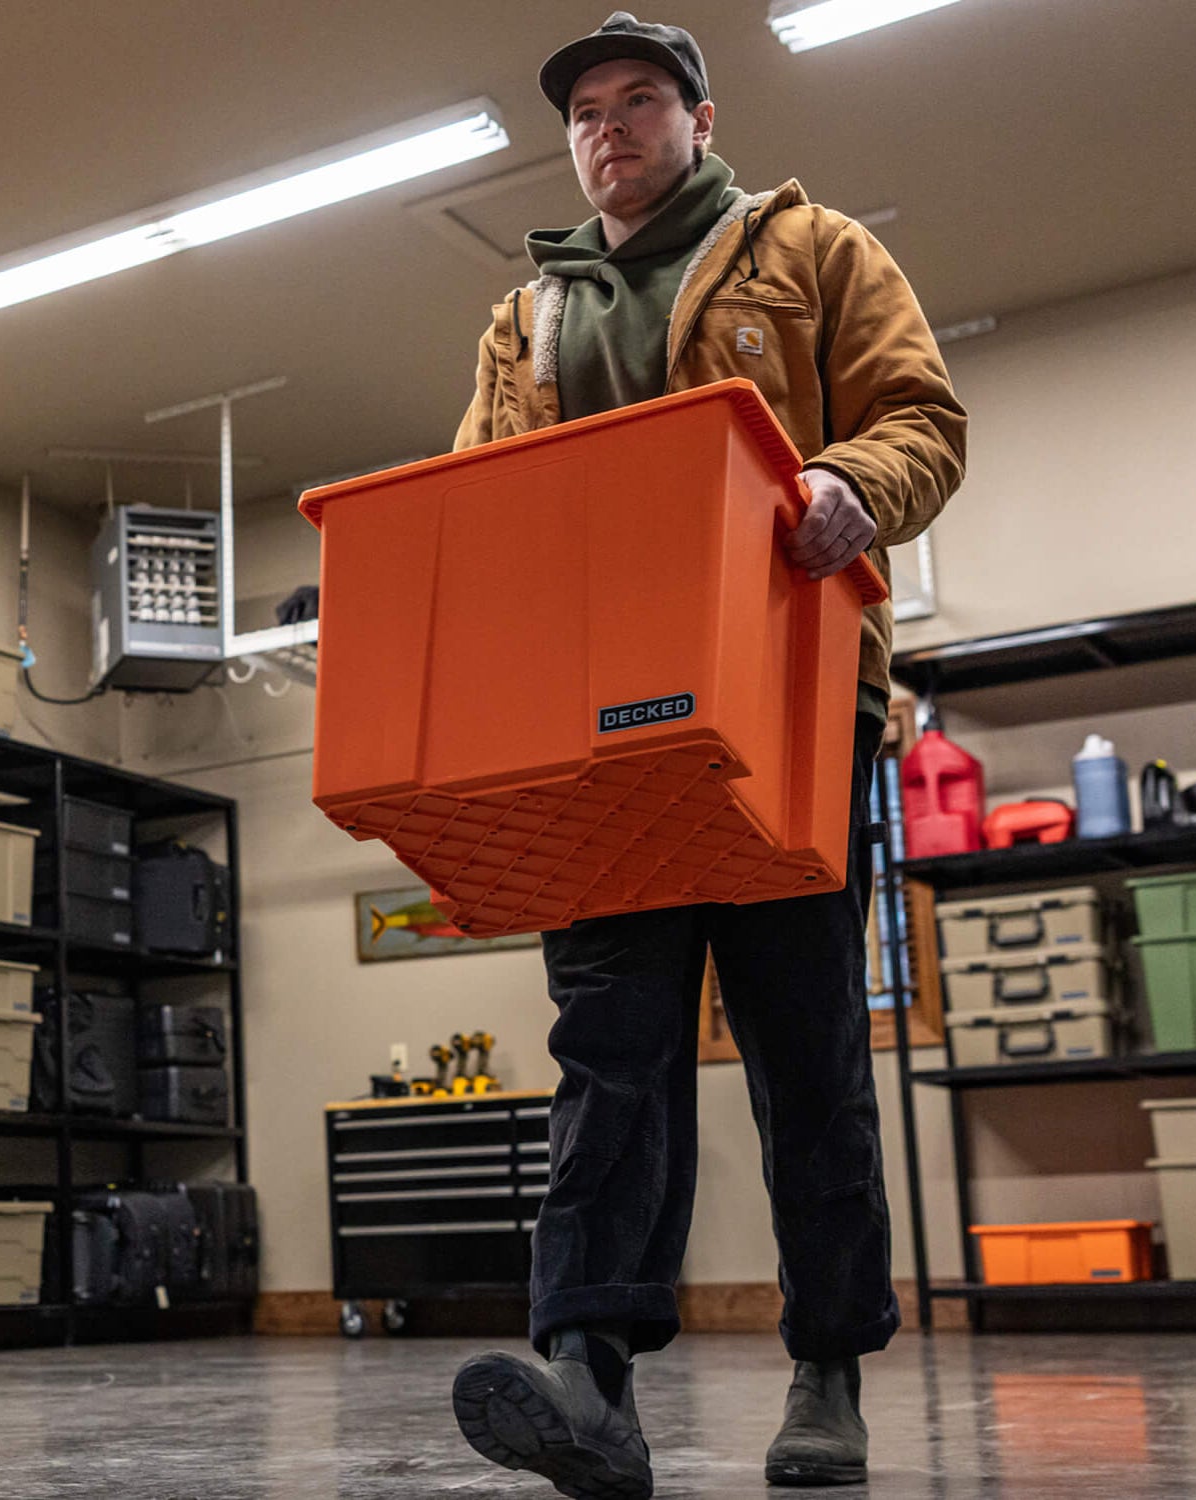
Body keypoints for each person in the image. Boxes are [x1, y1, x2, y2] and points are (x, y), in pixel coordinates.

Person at [443, 14, 967, 1498]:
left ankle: (828, 1366)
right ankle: (588, 1381)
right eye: (586, 114)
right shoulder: (527, 318)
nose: (609, 129)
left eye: (639, 101)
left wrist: (855, 483)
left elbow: (924, 417)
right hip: (597, 736)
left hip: (789, 706)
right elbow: (488, 497)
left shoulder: (811, 253)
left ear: (699, 113)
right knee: (609, 1053)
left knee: (806, 1050)